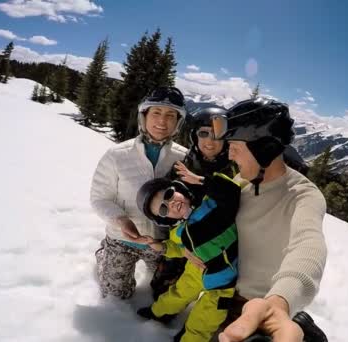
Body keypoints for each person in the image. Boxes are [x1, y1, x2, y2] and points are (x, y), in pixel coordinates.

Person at [208, 98, 328, 342]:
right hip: (224, 296)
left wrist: (280, 302)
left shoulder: (303, 195)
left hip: (262, 311)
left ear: (264, 149)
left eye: (235, 146)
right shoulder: (241, 183)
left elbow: (308, 245)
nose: (229, 155)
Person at [90, 86, 188, 300]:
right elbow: (99, 198)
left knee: (165, 291)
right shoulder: (117, 155)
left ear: (178, 122)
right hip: (120, 239)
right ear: (144, 116)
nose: (162, 122)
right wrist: (121, 221)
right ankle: (104, 254)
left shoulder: (183, 158)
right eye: (156, 113)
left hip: (161, 243)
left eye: (170, 115)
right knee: (117, 295)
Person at [135, 166, 241, 342]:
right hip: (195, 270)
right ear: (165, 218)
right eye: (163, 209)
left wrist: (201, 180)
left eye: (168, 195)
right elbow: (177, 248)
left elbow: (231, 192)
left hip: (221, 280)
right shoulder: (178, 231)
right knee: (177, 293)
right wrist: (160, 246)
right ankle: (158, 312)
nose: (170, 204)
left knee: (205, 318)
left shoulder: (211, 204)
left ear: (179, 189)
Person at [150, 106, 237, 300]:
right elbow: (166, 212)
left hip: (219, 248)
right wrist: (183, 249)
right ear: (194, 136)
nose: (210, 141)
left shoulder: (234, 171)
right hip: (182, 242)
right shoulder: (182, 167)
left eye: (217, 135)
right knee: (162, 288)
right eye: (203, 133)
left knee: (218, 297)